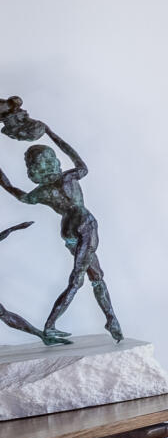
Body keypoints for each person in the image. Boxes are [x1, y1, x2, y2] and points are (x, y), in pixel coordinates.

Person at [0, 100, 120, 345]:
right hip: (84, 224)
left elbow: (13, 190)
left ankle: (111, 319)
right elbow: (78, 160)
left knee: (96, 275)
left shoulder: (41, 192)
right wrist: (50, 132)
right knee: (77, 278)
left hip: (69, 230)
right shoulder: (70, 177)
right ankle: (50, 325)